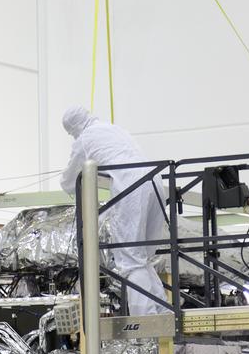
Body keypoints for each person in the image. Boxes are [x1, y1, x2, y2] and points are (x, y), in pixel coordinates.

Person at [60, 106, 169, 316]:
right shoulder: (112, 128)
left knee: (130, 261)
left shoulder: (84, 139)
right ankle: (164, 313)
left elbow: (69, 180)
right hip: (155, 180)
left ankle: (145, 322)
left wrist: (65, 184)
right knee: (142, 259)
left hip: (131, 184)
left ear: (73, 127)